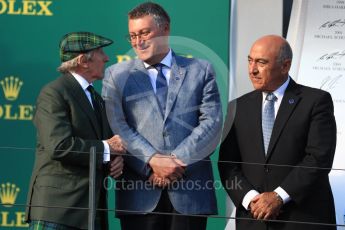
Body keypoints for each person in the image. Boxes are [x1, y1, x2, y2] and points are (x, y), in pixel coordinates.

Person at [102, 2, 223, 230]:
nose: (139, 41)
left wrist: (175, 162)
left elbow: (212, 124)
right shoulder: (116, 75)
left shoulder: (201, 69)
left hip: (190, 193)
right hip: (139, 193)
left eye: (145, 32)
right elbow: (116, 124)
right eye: (132, 36)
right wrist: (151, 162)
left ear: (165, 29)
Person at [218, 35, 337, 230]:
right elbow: (228, 165)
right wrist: (251, 201)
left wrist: (278, 196)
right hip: (253, 220)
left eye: (261, 62)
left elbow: (318, 159)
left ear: (285, 66)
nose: (252, 70)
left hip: (303, 219)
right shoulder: (237, 107)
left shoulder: (316, 101)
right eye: (250, 61)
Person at [25, 32, 126, 230]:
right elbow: (60, 146)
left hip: (91, 211)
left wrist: (114, 160)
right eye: (100, 52)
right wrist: (107, 148)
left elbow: (102, 144)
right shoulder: (53, 93)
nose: (106, 57)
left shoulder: (96, 98)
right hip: (58, 210)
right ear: (83, 61)